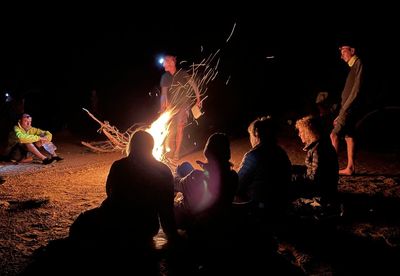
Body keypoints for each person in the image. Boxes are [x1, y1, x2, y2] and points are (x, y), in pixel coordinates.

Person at [236, 116, 292, 225]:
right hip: (282, 205)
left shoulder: (253, 155)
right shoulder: (281, 153)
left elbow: (238, 184)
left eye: (250, 135)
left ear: (256, 134)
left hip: (261, 208)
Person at [330, 42, 365, 175]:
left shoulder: (359, 64)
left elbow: (356, 91)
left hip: (350, 107)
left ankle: (331, 168)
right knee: (349, 136)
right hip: (349, 107)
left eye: (344, 52)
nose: (341, 56)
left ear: (352, 50)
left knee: (334, 134)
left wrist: (344, 109)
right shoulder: (354, 66)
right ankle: (350, 167)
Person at [292, 115, 339, 211]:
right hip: (327, 188)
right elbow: (313, 170)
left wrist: (294, 178)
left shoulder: (318, 150)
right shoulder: (321, 144)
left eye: (301, 132)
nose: (299, 135)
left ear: (308, 132)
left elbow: (315, 178)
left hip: (321, 191)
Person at [160, 55, 202, 160]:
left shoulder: (182, 74)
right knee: (169, 129)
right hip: (171, 107)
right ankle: (169, 151)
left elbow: (193, 85)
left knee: (180, 127)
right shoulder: (165, 77)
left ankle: (176, 153)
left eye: (166, 61)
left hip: (183, 104)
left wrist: (198, 98)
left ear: (172, 62)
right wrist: (162, 108)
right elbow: (164, 94)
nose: (163, 63)